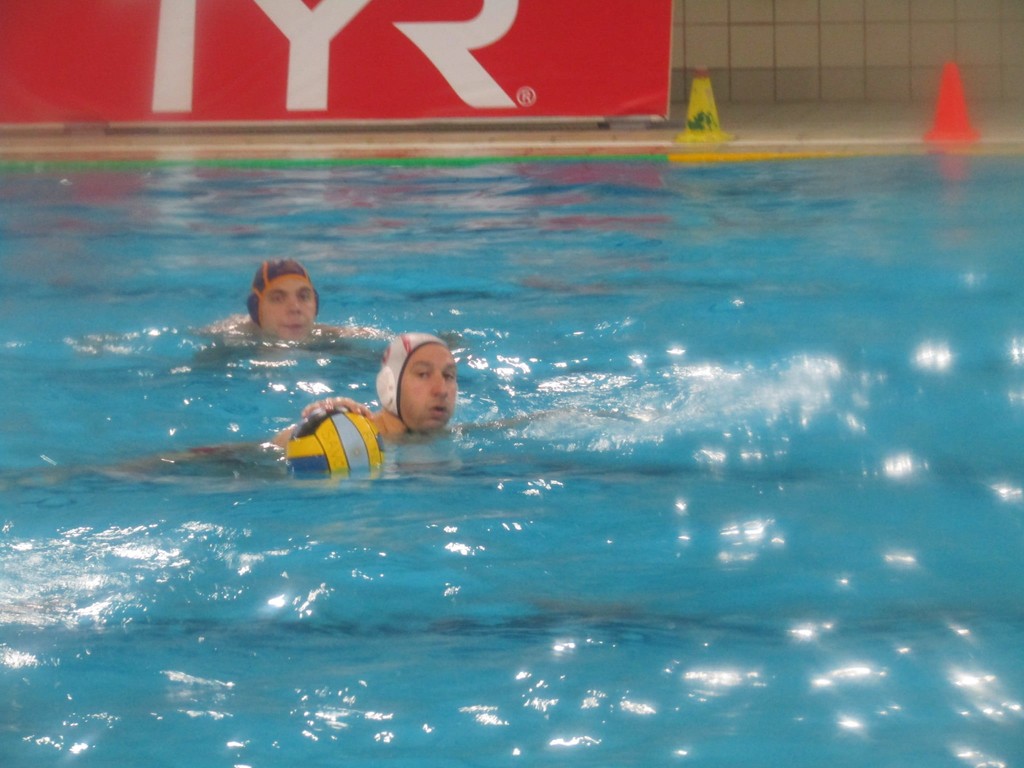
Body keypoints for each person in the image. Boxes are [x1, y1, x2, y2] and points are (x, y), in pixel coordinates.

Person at [273, 332, 458, 446]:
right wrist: (313, 427)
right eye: (423, 374)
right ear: (389, 385)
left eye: (448, 376)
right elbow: (270, 451)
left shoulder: (455, 436)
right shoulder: (354, 434)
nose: (441, 390)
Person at [201, 259, 378, 344]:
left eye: (303, 296)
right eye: (278, 298)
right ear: (256, 310)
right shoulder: (227, 342)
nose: (295, 308)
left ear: (316, 304)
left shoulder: (334, 340)